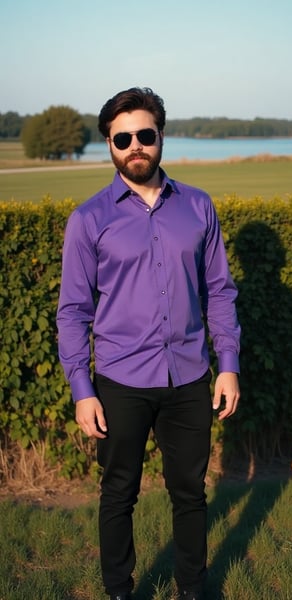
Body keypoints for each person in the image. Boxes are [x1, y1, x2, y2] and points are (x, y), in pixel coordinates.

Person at [56, 87, 240, 600]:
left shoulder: (198, 207)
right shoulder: (89, 219)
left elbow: (221, 291)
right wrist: (81, 388)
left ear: (160, 135)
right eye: (122, 137)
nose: (135, 145)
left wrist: (228, 364)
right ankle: (119, 590)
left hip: (189, 378)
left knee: (190, 494)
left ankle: (192, 589)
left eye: (144, 134)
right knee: (118, 494)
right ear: (109, 146)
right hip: (119, 381)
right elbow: (73, 311)